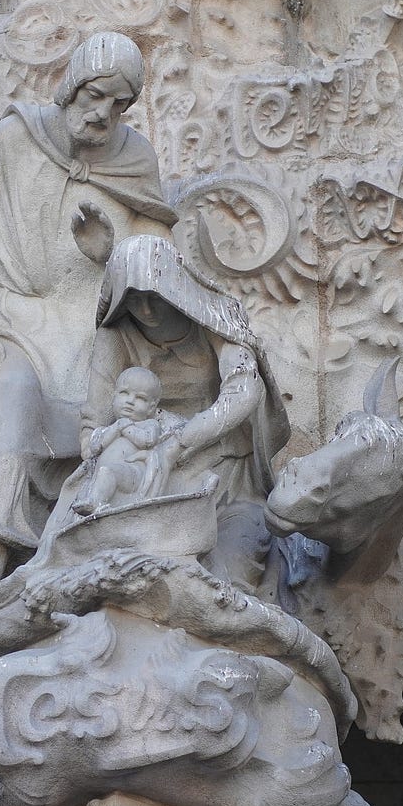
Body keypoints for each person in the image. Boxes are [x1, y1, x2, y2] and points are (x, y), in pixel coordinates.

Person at [0, 31, 177, 611]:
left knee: (103, 438)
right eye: (96, 95)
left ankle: (77, 590)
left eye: (119, 104)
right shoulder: (15, 136)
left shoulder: (134, 161)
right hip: (13, 325)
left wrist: (109, 251)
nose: (102, 114)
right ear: (72, 83)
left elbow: (157, 263)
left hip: (90, 329)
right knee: (12, 423)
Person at [83, 235, 290, 591]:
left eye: (154, 296)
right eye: (133, 299)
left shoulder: (216, 318)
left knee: (226, 567)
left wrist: (178, 442)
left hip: (218, 464)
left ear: (175, 287)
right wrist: (107, 447)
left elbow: (245, 390)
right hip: (136, 463)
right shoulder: (114, 336)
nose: (146, 311)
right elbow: (92, 423)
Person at [71, 366, 185, 516]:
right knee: (103, 474)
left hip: (133, 473)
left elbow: (148, 441)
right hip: (104, 474)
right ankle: (94, 502)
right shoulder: (108, 429)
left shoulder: (149, 424)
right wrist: (117, 427)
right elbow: (95, 447)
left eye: (140, 398)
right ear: (114, 396)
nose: (130, 401)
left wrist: (126, 427)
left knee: (109, 471)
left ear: (151, 407)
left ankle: (96, 503)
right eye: (124, 393)